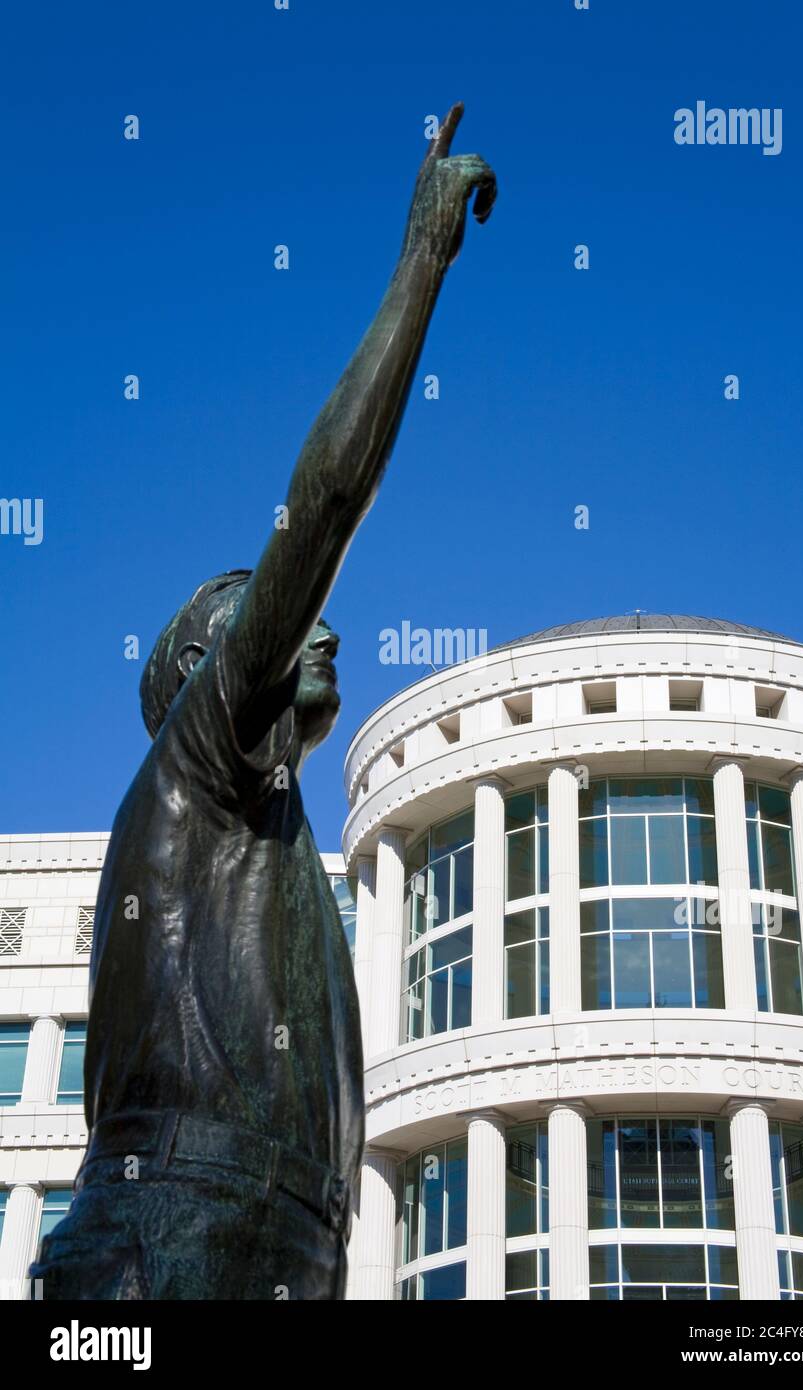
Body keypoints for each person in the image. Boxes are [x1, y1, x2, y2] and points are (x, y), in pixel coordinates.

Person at [31, 103, 496, 1300]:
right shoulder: (204, 757)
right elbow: (325, 502)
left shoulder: (267, 824)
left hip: (277, 1242)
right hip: (177, 1231)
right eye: (268, 614)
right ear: (202, 665)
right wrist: (420, 261)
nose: (317, 623)